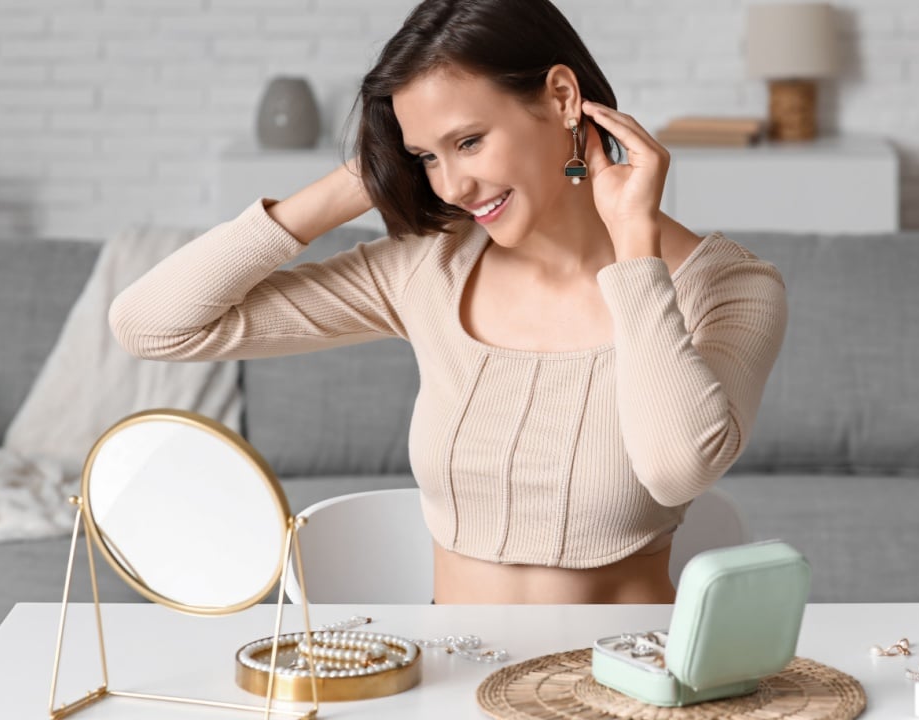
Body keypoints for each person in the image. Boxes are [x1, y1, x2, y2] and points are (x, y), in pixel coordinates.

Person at [109, 0, 787, 605]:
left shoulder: (727, 287)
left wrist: (636, 248)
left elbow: (676, 470)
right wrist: (359, 180)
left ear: (559, 97)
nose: (453, 184)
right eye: (426, 158)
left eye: (468, 141)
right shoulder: (426, 269)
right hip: (451, 678)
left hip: (622, 684)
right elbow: (153, 326)